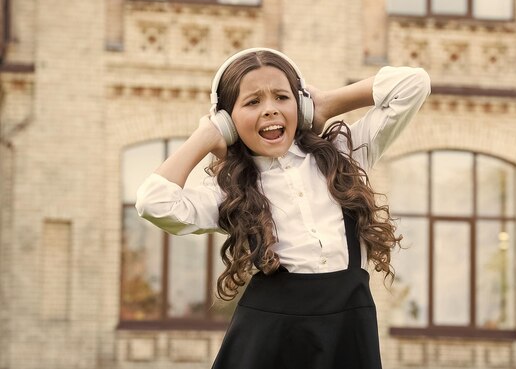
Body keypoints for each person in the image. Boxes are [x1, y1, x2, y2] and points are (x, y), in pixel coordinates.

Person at [135, 48, 430, 369]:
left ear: (301, 106)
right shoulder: (228, 190)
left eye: (281, 97)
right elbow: (154, 203)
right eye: (252, 102)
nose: (270, 110)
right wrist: (206, 135)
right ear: (227, 121)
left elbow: (413, 85)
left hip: (348, 329)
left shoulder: (344, 154)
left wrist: (329, 102)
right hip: (268, 337)